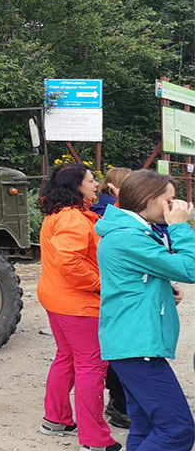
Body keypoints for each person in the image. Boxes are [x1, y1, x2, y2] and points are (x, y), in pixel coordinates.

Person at [95, 170, 195, 451]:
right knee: (178, 428)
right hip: (137, 345)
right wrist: (181, 226)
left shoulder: (133, 230)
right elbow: (190, 267)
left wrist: (162, 290)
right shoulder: (128, 235)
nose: (173, 206)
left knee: (147, 425)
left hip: (132, 340)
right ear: (144, 200)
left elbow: (137, 278)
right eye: (167, 200)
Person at [37, 163, 124, 451]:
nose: (95, 183)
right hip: (78, 304)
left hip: (58, 299)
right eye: (90, 179)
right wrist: (100, 284)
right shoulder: (73, 219)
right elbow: (69, 262)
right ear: (76, 186)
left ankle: (57, 419)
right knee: (92, 366)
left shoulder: (59, 214)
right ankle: (95, 438)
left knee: (67, 357)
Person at [90, 166, 134, 429]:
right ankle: (120, 405)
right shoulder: (110, 216)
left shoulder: (103, 213)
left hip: (112, 290)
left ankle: (119, 402)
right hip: (117, 292)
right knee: (122, 351)